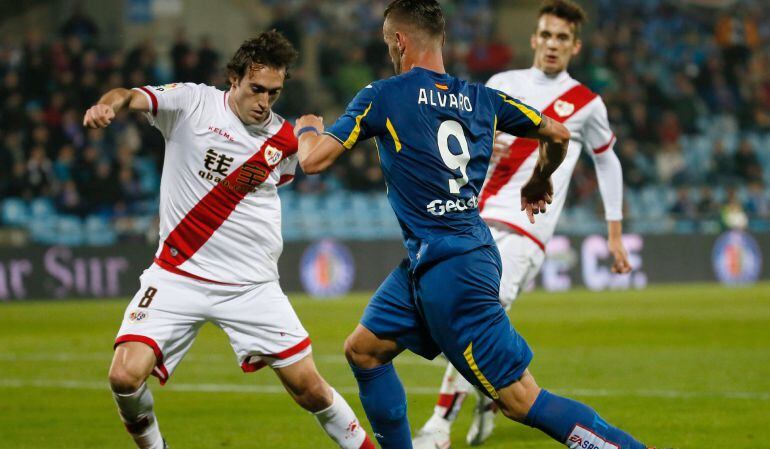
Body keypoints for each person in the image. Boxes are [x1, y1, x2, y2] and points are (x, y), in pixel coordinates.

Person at [295, 1, 662, 449]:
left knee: (520, 400)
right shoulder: (482, 97)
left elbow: (312, 161)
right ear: (442, 40)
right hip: (441, 257)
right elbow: (559, 134)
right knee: (364, 350)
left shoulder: (382, 94)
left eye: (389, 42)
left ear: (399, 40)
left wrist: (307, 129)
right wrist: (540, 179)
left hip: (454, 269)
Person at [83, 31, 374, 449]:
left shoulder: (281, 140)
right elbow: (127, 95)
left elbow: (308, 163)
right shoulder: (191, 102)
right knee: (123, 377)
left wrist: (307, 131)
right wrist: (105, 106)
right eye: (256, 89)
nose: (264, 102)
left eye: (274, 93)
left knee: (309, 389)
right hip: (177, 275)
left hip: (251, 286)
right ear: (233, 78)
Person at [414, 2, 632, 445]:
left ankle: (439, 426)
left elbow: (607, 162)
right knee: (471, 317)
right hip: (475, 217)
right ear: (534, 38)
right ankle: (486, 401)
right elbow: (467, 142)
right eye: (546, 35)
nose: (553, 44)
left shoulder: (587, 104)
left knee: (472, 313)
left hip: (528, 228)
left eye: (562, 38)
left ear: (575, 46)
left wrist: (614, 233)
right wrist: (483, 146)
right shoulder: (502, 84)